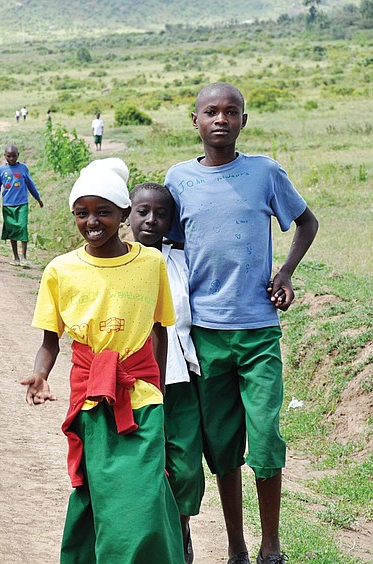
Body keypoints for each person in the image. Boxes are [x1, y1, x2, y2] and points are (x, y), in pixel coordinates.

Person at [165, 82, 319, 564]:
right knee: (223, 446)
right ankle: (237, 548)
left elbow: (306, 223)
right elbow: (165, 248)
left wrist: (286, 273)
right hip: (203, 335)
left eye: (231, 112)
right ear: (195, 121)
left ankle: (271, 546)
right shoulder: (178, 180)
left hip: (257, 331)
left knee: (267, 437)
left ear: (243, 121)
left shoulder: (264, 173)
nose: (221, 119)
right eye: (210, 111)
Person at [22, 158, 183, 563]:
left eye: (103, 212)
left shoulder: (151, 263)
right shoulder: (61, 270)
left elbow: (159, 331)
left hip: (142, 396)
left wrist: (159, 391)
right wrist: (41, 374)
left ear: (124, 214)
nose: (92, 222)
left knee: (144, 498)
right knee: (101, 491)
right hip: (91, 398)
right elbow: (50, 340)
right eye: (82, 213)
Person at [130, 182, 205, 564]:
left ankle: (181, 528)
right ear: (128, 214)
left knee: (187, 469)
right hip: (133, 387)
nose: (151, 220)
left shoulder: (182, 262)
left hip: (180, 382)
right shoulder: (116, 262)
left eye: (161, 213)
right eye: (142, 211)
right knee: (142, 469)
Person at [0, 144, 43, 267]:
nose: (11, 159)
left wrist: (38, 198)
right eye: (8, 156)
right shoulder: (1, 170)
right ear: (5, 156)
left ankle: (24, 257)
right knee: (12, 230)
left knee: (22, 227)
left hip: (22, 204)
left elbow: (30, 184)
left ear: (18, 155)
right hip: (8, 205)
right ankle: (15, 257)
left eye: (14, 156)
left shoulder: (23, 168)